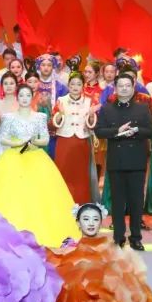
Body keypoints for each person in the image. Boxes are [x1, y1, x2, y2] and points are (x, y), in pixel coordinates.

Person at [0, 84, 78, 247]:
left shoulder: (39, 117)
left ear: (32, 98)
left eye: (27, 95)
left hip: (35, 156)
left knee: (40, 195)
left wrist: (34, 142)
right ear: (18, 98)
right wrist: (17, 143)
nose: (24, 98)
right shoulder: (9, 117)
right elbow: (3, 138)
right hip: (12, 157)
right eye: (21, 95)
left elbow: (45, 139)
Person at [94, 73, 152, 251]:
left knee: (136, 201)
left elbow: (150, 131)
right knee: (118, 201)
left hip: (137, 160)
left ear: (133, 87)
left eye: (128, 85)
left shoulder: (142, 108)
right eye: (121, 86)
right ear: (115, 88)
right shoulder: (107, 109)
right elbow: (99, 131)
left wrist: (136, 130)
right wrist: (117, 131)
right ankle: (119, 237)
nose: (125, 89)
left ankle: (136, 237)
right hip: (116, 161)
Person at [51, 72, 98, 204]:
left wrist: (91, 115)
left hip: (82, 141)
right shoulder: (61, 100)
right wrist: (60, 114)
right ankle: (63, 204)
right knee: (63, 172)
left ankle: (81, 204)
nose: (75, 87)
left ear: (83, 86)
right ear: (68, 85)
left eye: (78, 84)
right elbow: (53, 123)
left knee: (81, 175)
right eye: (72, 84)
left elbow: (92, 124)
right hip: (64, 141)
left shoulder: (89, 101)